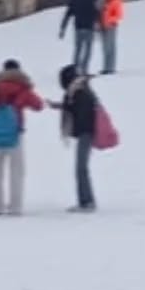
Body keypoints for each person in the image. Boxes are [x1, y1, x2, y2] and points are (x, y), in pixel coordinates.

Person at [0, 59, 45, 217]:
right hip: (15, 133)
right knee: (17, 171)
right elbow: (38, 105)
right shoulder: (22, 87)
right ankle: (15, 207)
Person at [57, 62, 100, 213]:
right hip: (85, 132)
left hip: (85, 133)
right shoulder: (79, 91)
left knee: (81, 168)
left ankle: (87, 201)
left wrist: (76, 129)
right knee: (81, 168)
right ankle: (86, 200)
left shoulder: (80, 92)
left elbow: (81, 113)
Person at [59, 0, 101, 75]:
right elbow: (97, 12)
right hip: (89, 28)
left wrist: (63, 28)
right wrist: (99, 25)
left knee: (78, 49)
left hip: (78, 27)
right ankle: (84, 69)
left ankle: (75, 70)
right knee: (88, 50)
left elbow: (68, 14)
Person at [99, 0, 124, 74]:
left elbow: (119, 15)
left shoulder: (116, 1)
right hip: (102, 27)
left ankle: (110, 68)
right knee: (106, 48)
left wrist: (109, 19)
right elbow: (97, 10)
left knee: (110, 48)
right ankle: (106, 67)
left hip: (111, 27)